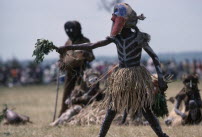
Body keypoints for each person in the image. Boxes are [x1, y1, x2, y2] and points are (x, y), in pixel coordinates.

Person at [58, 3, 168, 137]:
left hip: (136, 76)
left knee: (145, 109)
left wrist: (161, 78)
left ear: (125, 21)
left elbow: (154, 57)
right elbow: (93, 45)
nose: (114, 21)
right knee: (112, 109)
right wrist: (69, 48)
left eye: (117, 19)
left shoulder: (139, 38)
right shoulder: (116, 38)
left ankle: (161, 135)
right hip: (121, 77)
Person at [59, 21, 95, 116]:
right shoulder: (68, 42)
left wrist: (86, 54)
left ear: (78, 30)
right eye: (67, 30)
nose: (69, 32)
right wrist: (61, 63)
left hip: (82, 72)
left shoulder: (85, 41)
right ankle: (63, 113)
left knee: (81, 93)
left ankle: (82, 114)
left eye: (72, 29)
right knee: (66, 94)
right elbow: (62, 56)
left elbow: (91, 57)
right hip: (69, 72)